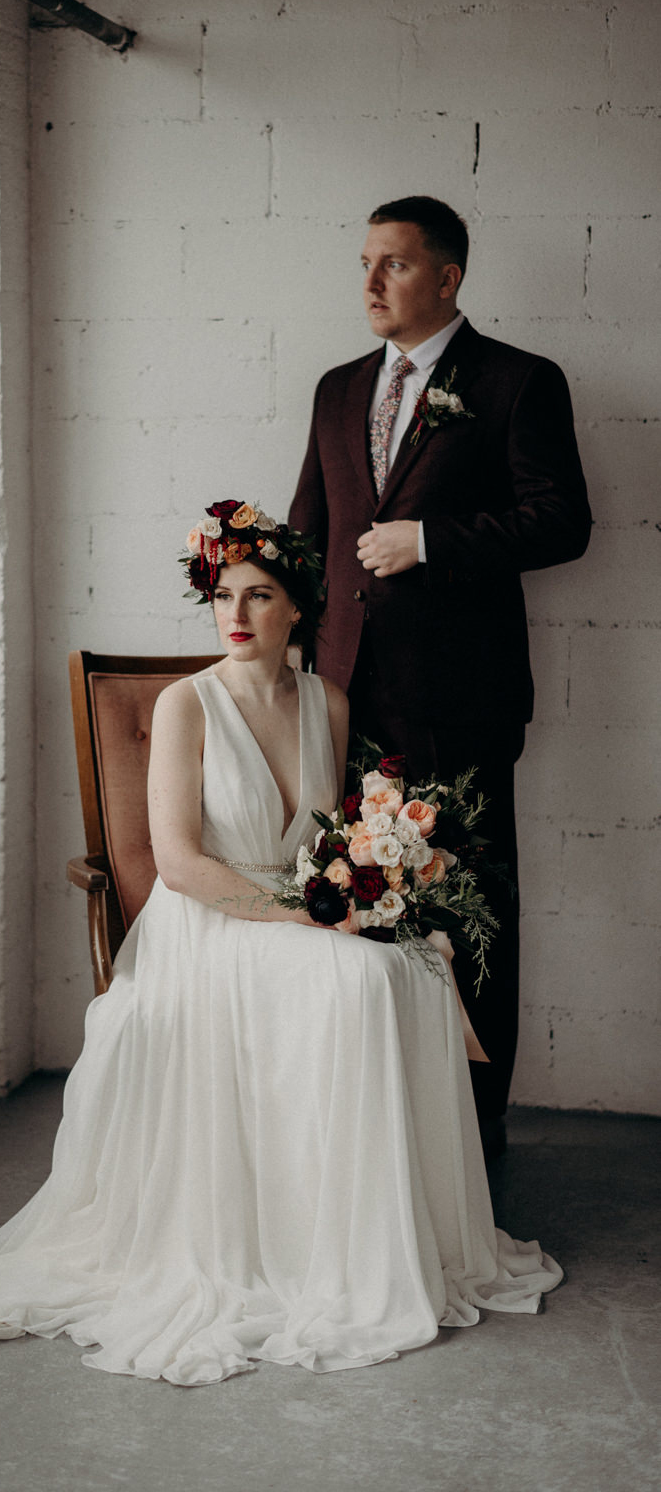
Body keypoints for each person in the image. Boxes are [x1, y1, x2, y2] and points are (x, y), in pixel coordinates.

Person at [0, 503, 560, 1389]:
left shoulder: (325, 700)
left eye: (258, 595)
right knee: (359, 985)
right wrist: (308, 913)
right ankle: (320, 1260)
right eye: (222, 596)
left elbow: (330, 838)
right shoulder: (185, 705)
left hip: (298, 908)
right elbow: (177, 864)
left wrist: (373, 885)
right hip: (209, 924)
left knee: (413, 963)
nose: (236, 614)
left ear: (299, 608)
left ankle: (376, 1243)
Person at [289, 196, 591, 1155]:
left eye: (395, 264)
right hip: (345, 697)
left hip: (463, 701)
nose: (371, 283)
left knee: (476, 903)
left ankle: (477, 1123)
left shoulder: (517, 381)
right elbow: (310, 533)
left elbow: (563, 521)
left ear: (448, 277)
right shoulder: (338, 388)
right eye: (365, 262)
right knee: (349, 896)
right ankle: (375, 1112)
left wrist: (432, 540)